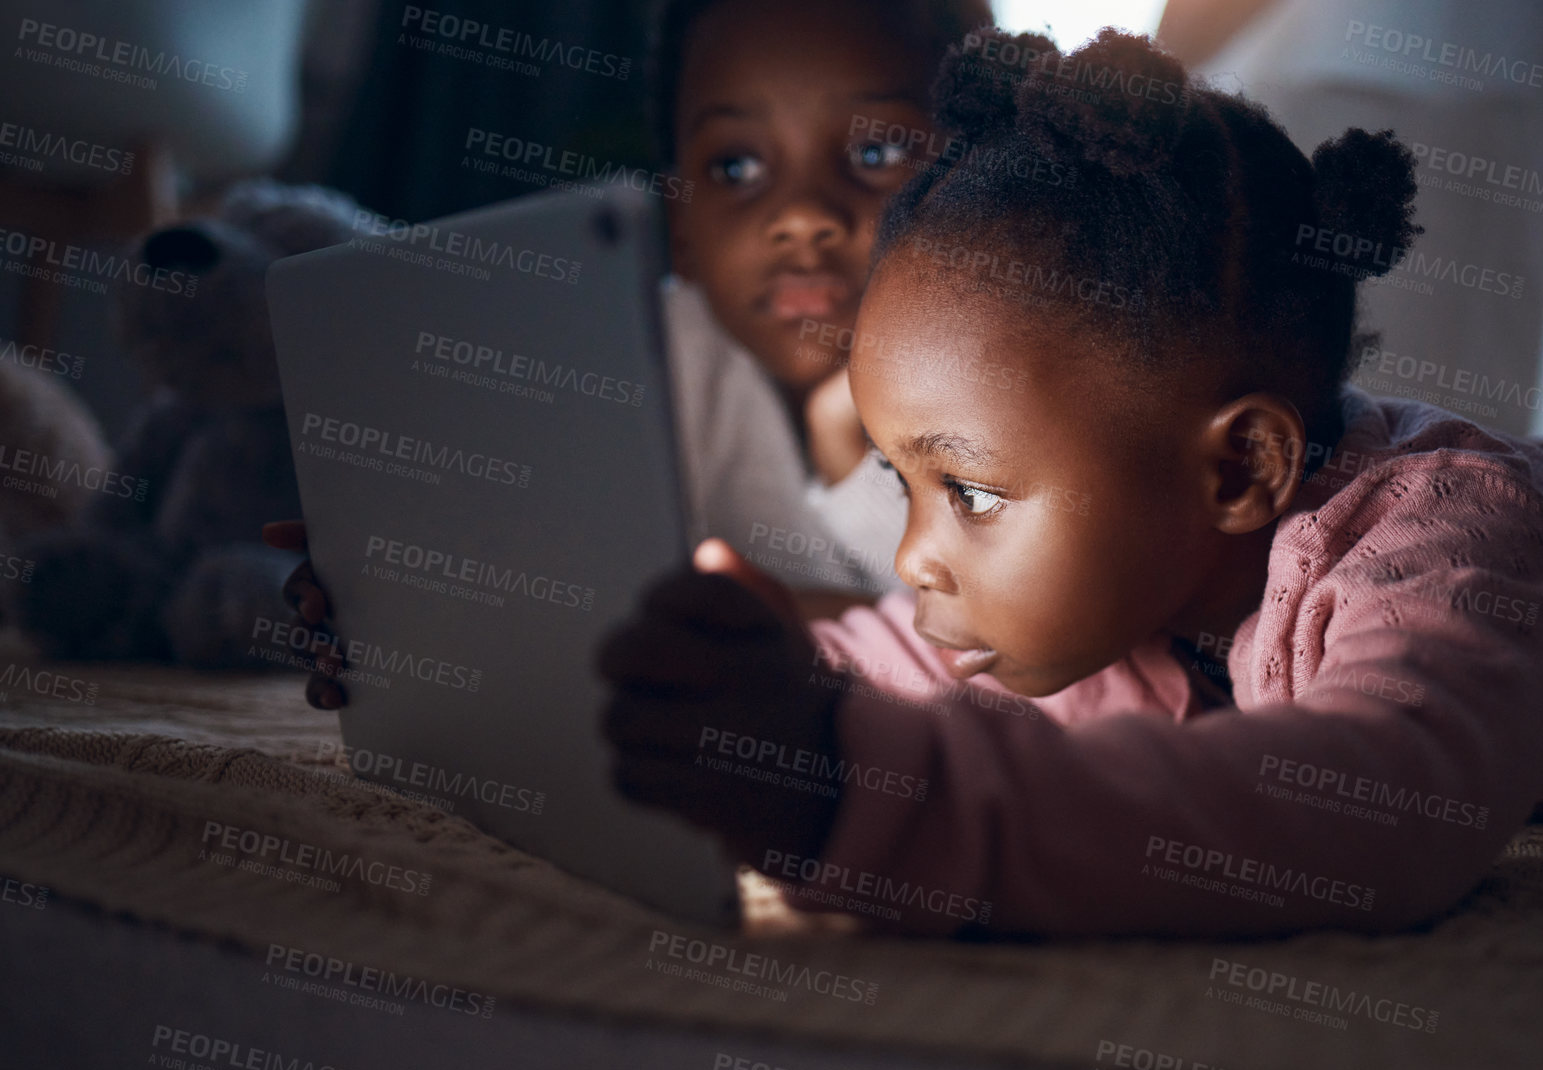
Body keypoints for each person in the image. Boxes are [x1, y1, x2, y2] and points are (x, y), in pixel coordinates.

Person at [597, 28, 1543, 939]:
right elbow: (892, 663)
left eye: (972, 494)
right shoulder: (1144, 584)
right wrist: (706, 684)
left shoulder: (1460, 547)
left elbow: (1377, 819)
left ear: (1240, 469)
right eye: (904, 484)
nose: (910, 558)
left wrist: (847, 790)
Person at [265, 0, 995, 707]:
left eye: (877, 152)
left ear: (985, 187)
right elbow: (560, 580)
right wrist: (397, 596)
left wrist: (852, 453)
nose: (800, 218)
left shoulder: (1017, 379)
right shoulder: (650, 353)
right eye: (735, 168)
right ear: (678, 220)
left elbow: (991, 655)